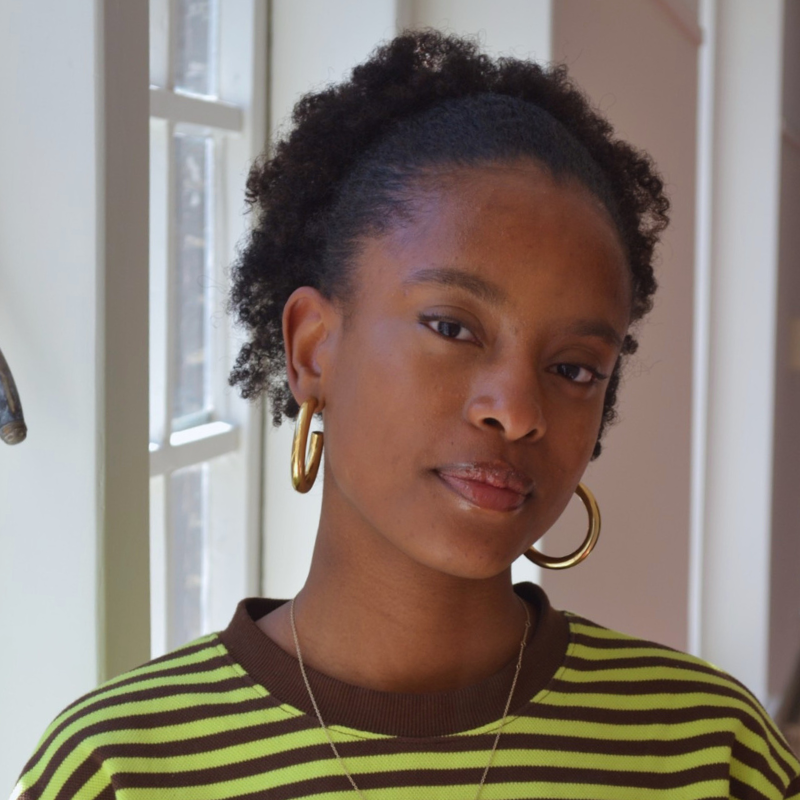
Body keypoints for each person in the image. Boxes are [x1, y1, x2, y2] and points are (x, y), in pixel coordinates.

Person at [13, 29, 800, 800]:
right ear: (313, 349)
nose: (516, 411)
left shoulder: (708, 753)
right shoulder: (124, 770)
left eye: (573, 369)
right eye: (452, 328)